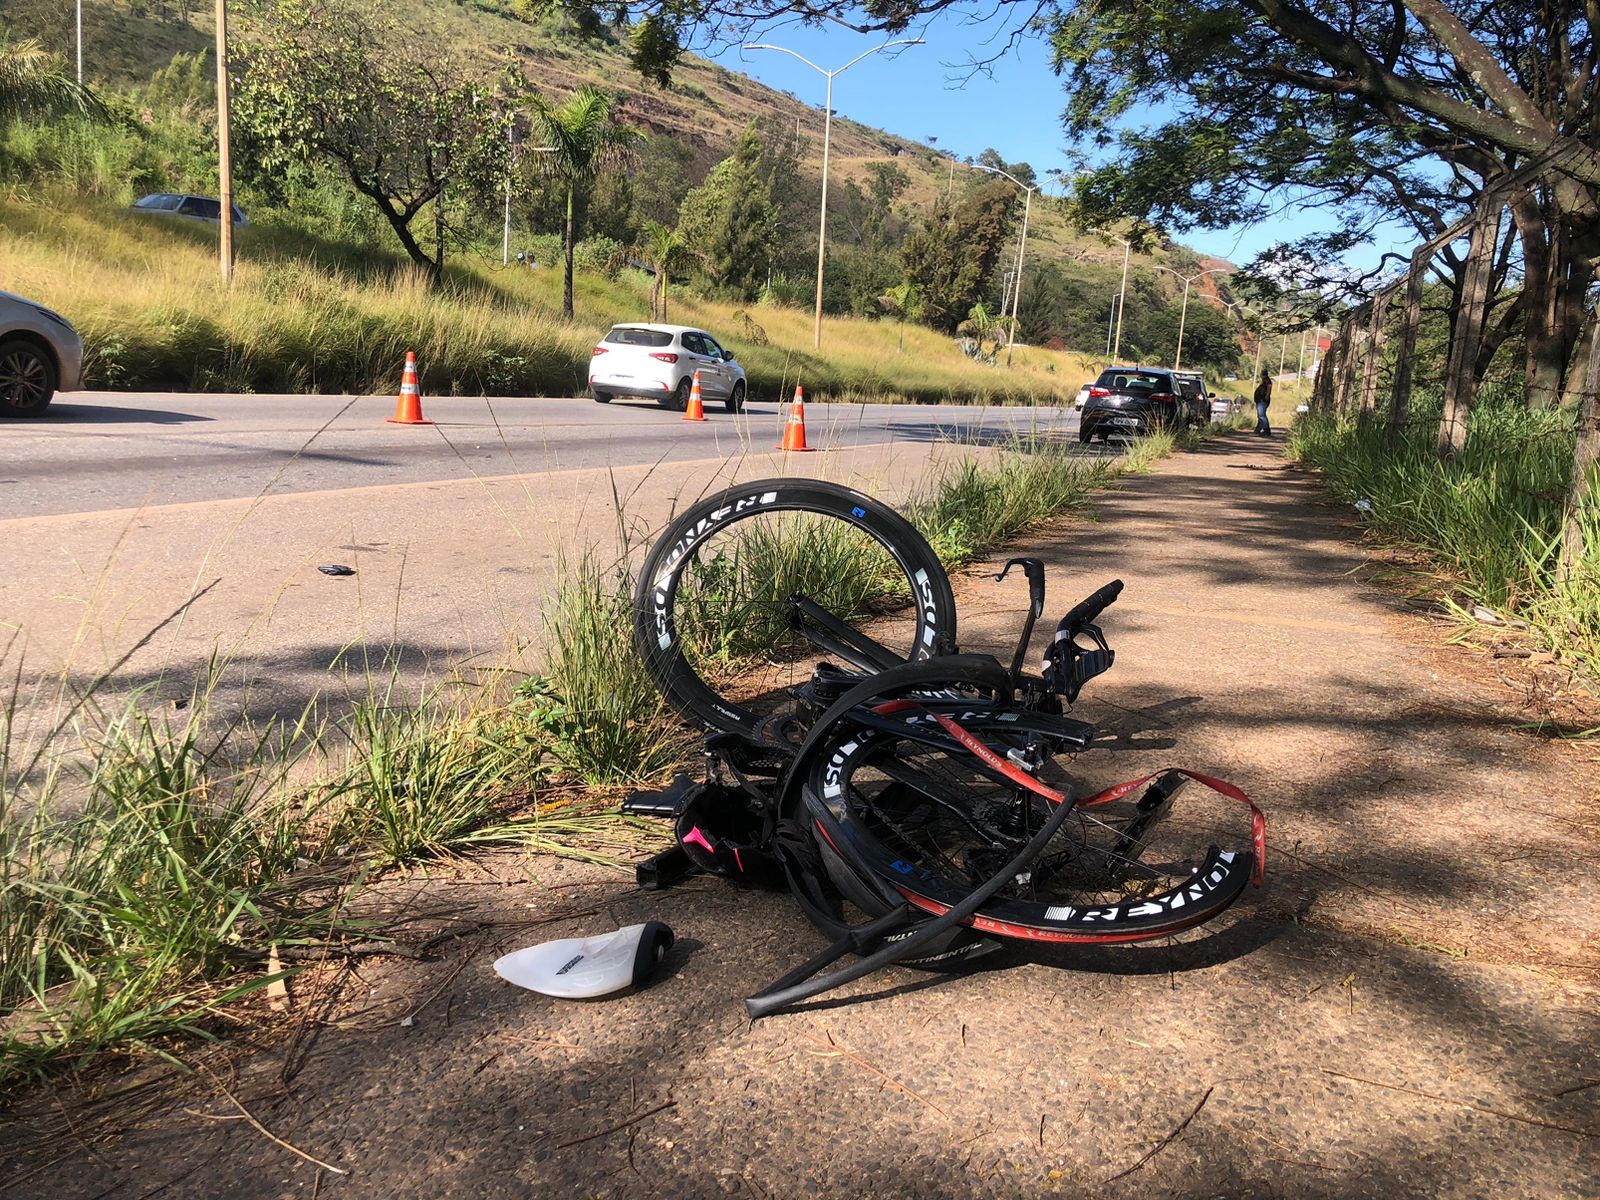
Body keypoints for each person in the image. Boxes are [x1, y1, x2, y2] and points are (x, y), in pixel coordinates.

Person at [1253, 368, 1273, 436]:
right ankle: (1258, 429)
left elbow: (1269, 388)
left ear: (1263, 375)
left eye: (1261, 374)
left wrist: (1267, 397)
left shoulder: (1267, 381)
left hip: (1262, 400)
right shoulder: (1264, 381)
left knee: (1262, 416)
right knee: (1260, 416)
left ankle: (1266, 430)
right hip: (1260, 400)